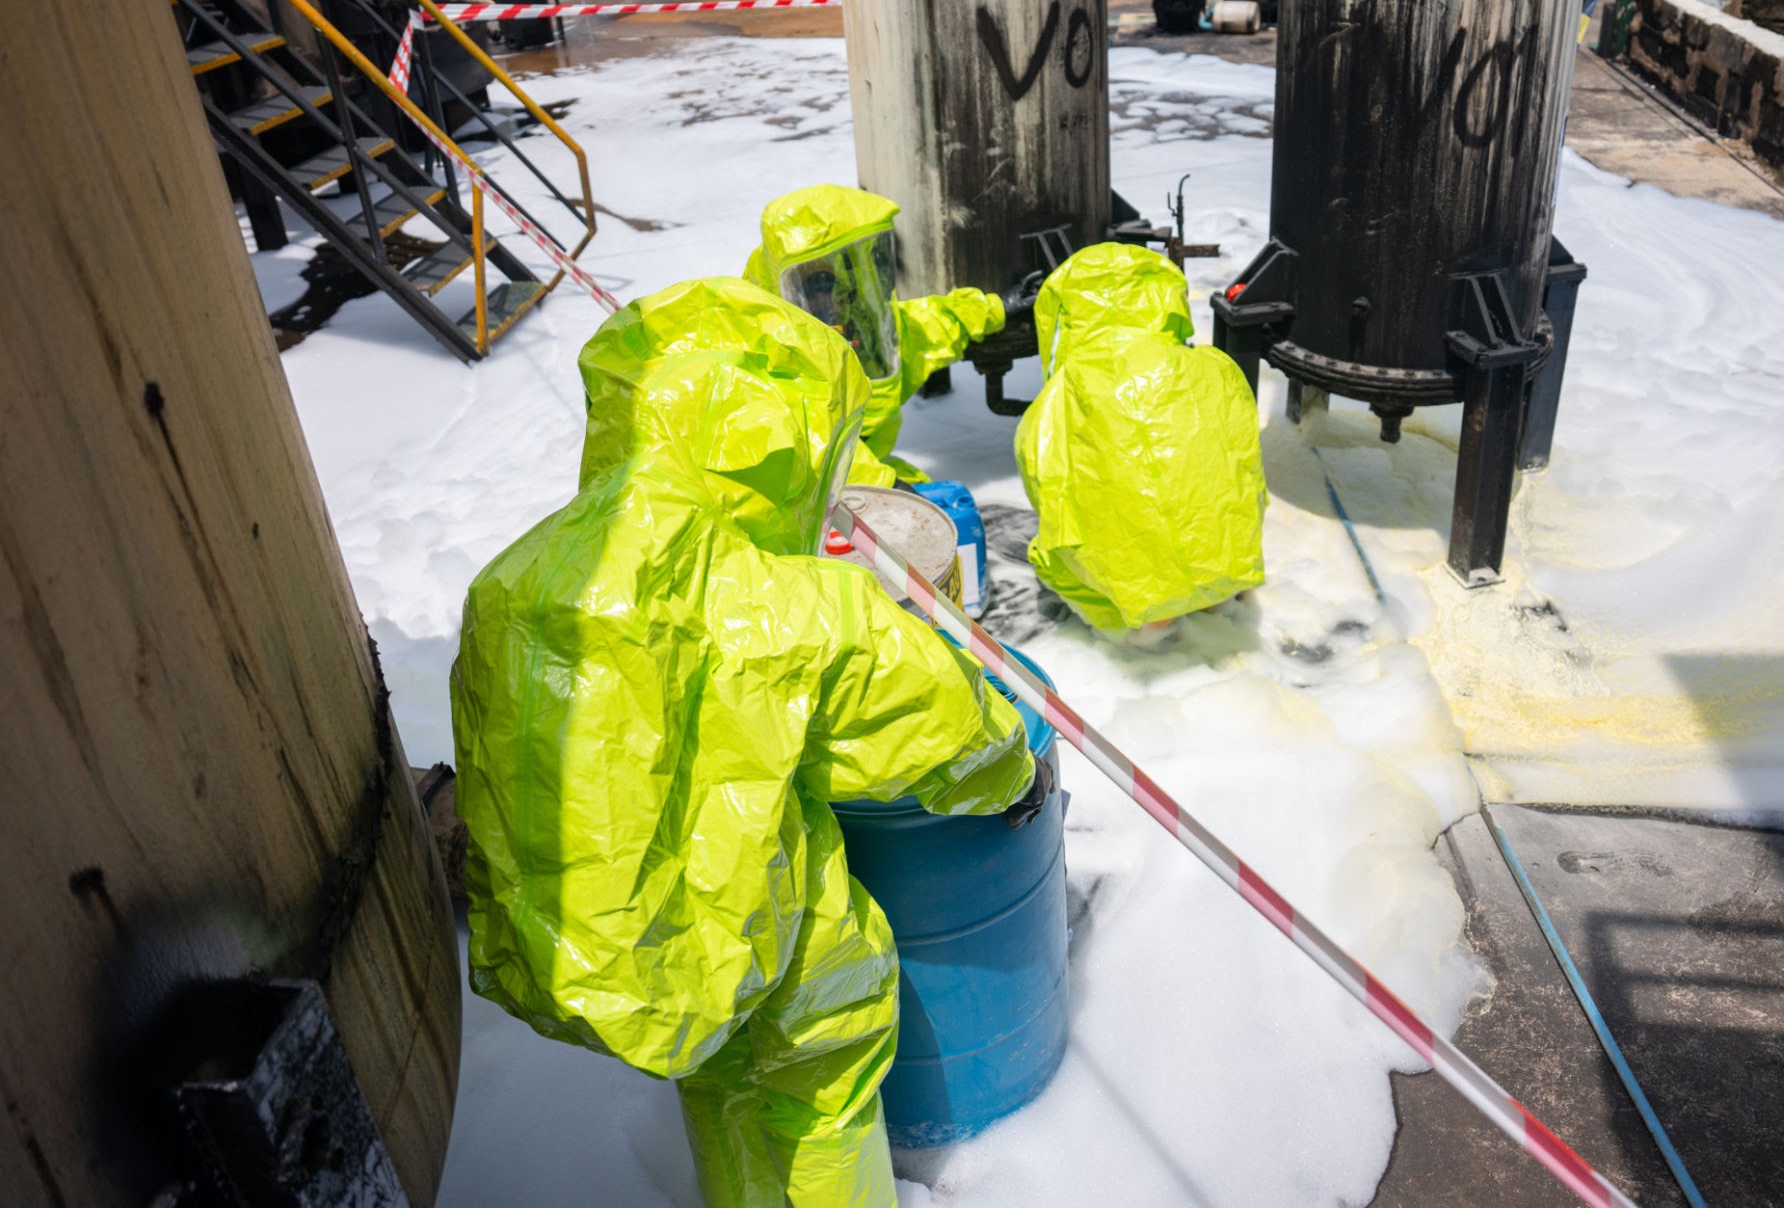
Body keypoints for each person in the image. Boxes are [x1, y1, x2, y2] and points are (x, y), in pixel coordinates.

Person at [452, 276, 1041, 1208]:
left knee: (724, 1089)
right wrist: (1019, 768)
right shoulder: (794, 610)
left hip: (618, 969)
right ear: (779, 445)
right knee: (817, 1098)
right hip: (773, 960)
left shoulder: (513, 585)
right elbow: (955, 735)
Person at [1015, 243, 1268, 636]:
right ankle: (1215, 601)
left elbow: (1045, 485)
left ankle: (1144, 628)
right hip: (1229, 564)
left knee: (1054, 552)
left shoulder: (1065, 395)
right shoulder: (1215, 368)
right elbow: (1247, 467)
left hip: (1138, 594)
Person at [743, 183, 1006, 487]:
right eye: (810, 287)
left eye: (828, 284)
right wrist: (884, 486)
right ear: (782, 291)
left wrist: (997, 309)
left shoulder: (861, 330)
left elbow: (925, 327)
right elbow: (809, 446)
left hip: (864, 475)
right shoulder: (763, 359)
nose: (825, 299)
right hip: (801, 501)